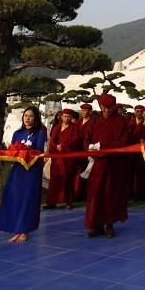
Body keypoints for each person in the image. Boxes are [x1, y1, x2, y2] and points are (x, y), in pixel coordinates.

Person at [83, 93, 132, 238]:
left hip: (113, 164)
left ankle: (110, 225)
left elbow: (123, 140)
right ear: (100, 106)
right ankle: (96, 225)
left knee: (110, 193)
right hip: (97, 163)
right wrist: (90, 149)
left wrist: (105, 150)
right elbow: (86, 137)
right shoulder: (95, 120)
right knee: (95, 193)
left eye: (110, 108)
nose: (107, 111)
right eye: (104, 108)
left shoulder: (121, 121)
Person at [0, 106, 48, 242]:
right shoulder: (17, 133)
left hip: (32, 171)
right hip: (18, 170)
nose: (27, 118)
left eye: (31, 116)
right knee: (15, 198)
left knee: (27, 200)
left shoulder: (40, 133)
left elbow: (39, 152)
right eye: (25, 115)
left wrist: (27, 150)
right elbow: (12, 152)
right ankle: (16, 228)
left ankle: (24, 230)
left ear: (35, 118)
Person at [43, 108, 83, 209]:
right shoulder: (56, 127)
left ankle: (69, 202)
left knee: (68, 178)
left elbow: (76, 141)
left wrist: (64, 146)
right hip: (57, 156)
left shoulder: (75, 128)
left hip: (68, 157)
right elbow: (52, 140)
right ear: (61, 116)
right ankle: (52, 201)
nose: (67, 118)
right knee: (55, 179)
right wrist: (55, 147)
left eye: (69, 116)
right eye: (65, 116)